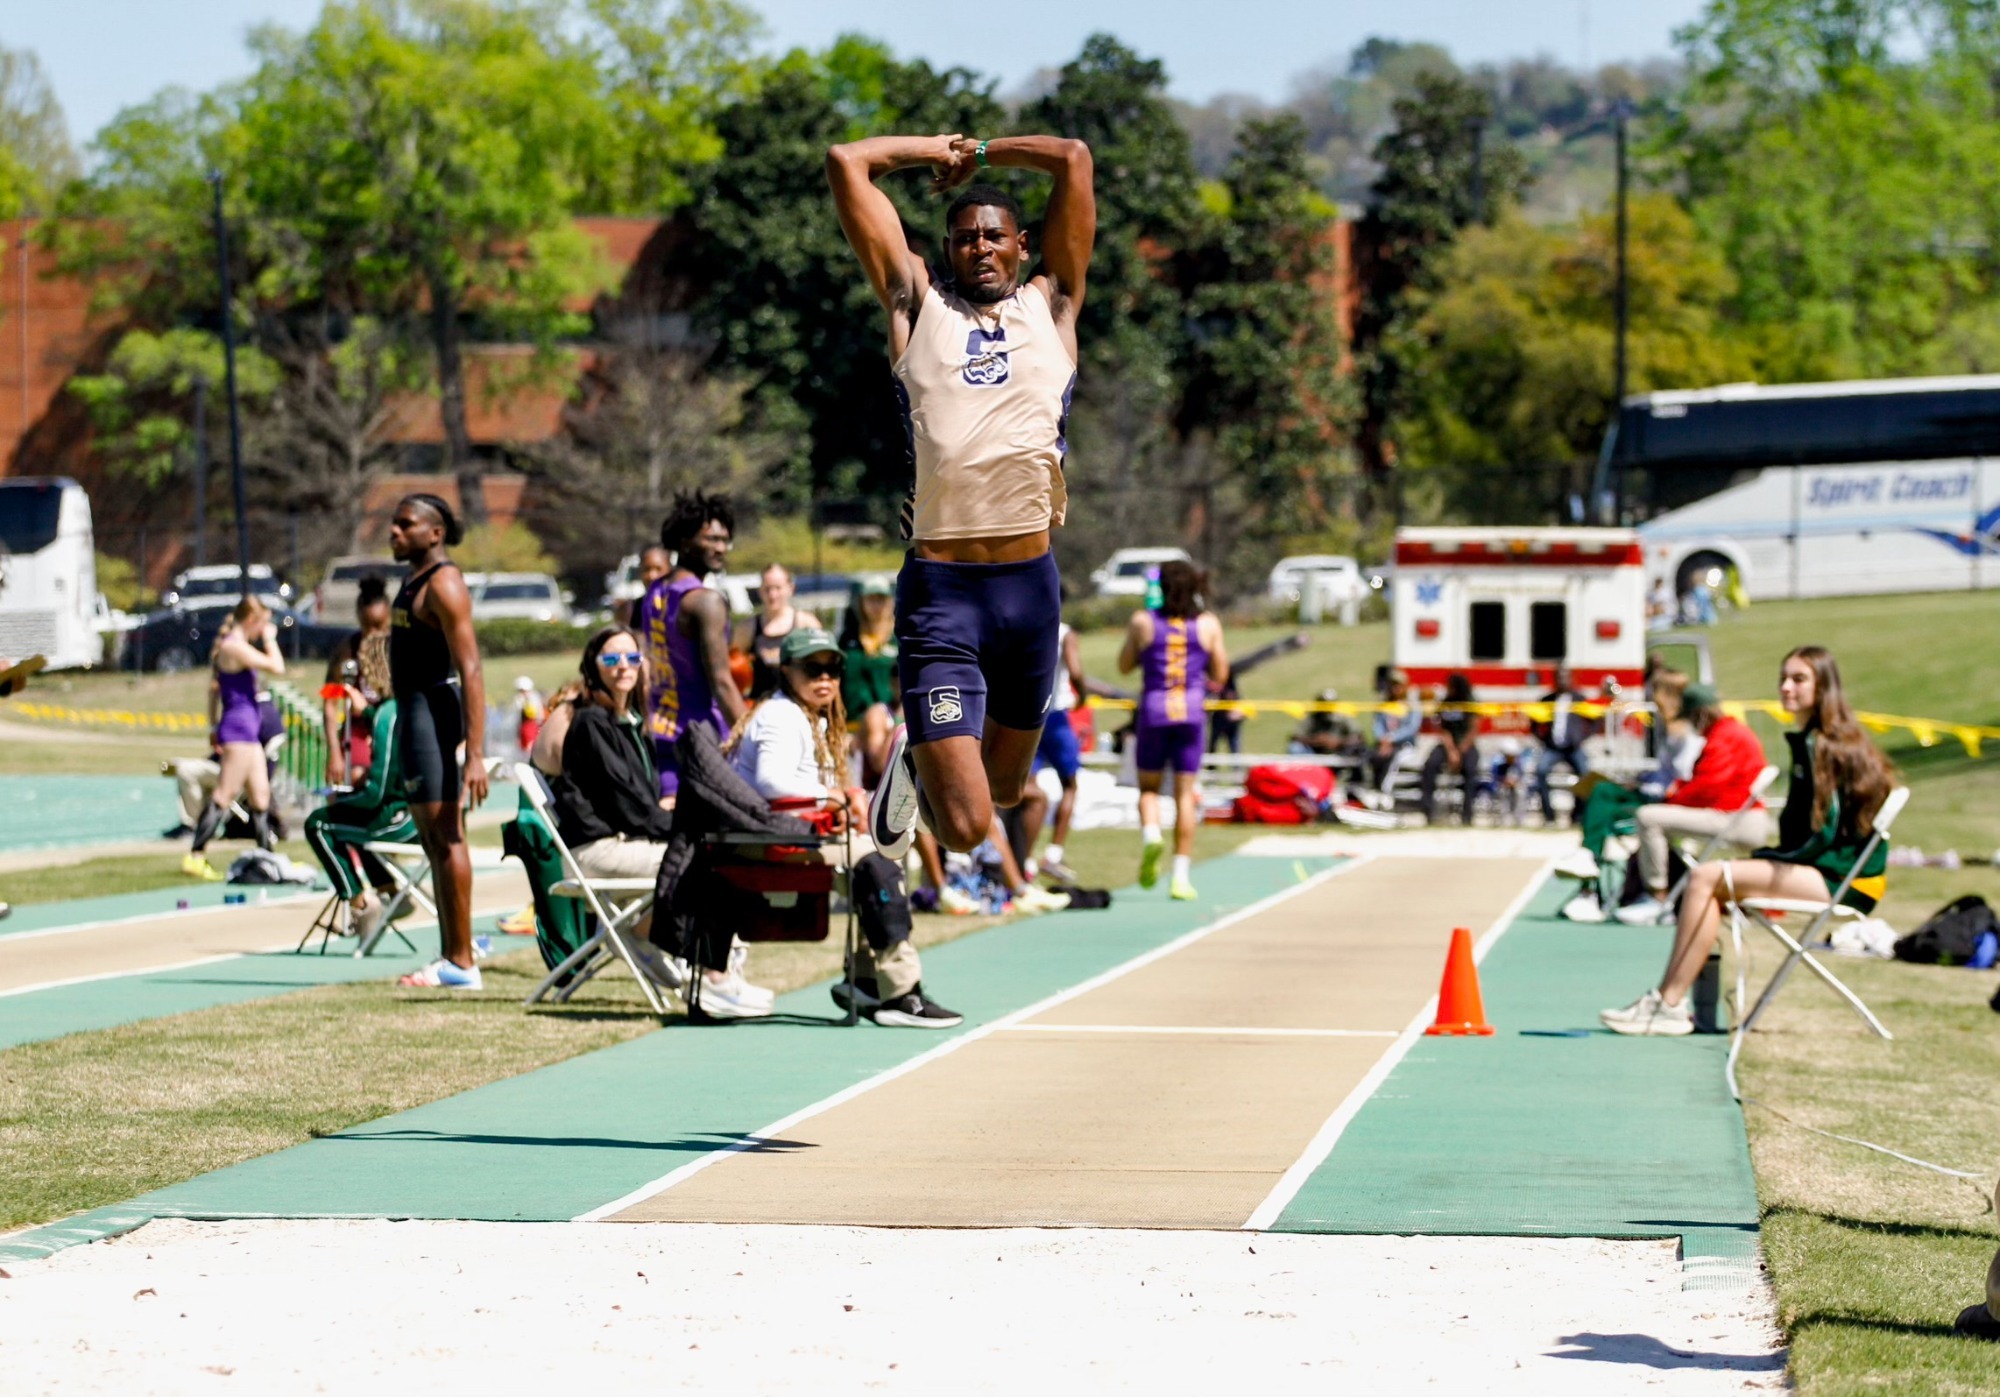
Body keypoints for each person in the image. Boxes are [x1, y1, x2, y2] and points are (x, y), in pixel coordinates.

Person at [826, 127, 1095, 862]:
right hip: (944, 594)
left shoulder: (1054, 305)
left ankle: (925, 764)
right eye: (964, 238)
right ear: (946, 251)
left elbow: (1072, 158)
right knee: (969, 824)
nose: (979, 247)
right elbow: (848, 163)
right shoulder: (919, 306)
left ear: (1023, 245)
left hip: (1030, 590)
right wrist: (932, 151)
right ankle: (913, 762)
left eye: (993, 236)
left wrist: (981, 155)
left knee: (1007, 789)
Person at [1602, 645, 1896, 1036]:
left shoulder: (1828, 745)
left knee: (1706, 876)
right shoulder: (1812, 738)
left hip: (1845, 880)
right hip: (1824, 869)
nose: (1786, 687)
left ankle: (1667, 1004)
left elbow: (1828, 829)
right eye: (1783, 678)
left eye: (1798, 679)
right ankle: (1670, 1003)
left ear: (1823, 686)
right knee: (1710, 884)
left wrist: (1773, 856)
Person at [728, 627, 961, 1027]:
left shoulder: (808, 715)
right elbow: (771, 782)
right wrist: (836, 795)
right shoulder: (782, 714)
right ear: (786, 671)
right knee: (877, 861)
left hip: (791, 833)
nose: (825, 677)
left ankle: (867, 981)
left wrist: (842, 799)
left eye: (833, 667)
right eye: (812, 668)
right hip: (763, 839)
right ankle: (902, 993)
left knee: (880, 854)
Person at [555, 626, 771, 1018]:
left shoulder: (631, 722)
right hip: (596, 849)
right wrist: (683, 823)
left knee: (714, 855)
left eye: (631, 658)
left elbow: (639, 803)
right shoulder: (591, 724)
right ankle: (714, 978)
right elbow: (628, 808)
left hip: (628, 840)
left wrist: (675, 812)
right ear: (594, 666)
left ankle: (644, 934)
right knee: (705, 865)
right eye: (611, 658)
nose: (623, 666)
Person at [386, 494, 489, 991]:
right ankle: (452, 954)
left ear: (435, 533)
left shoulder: (445, 584)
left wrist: (475, 753)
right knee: (432, 840)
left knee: (447, 837)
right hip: (412, 711)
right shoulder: (414, 581)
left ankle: (464, 961)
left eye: (405, 524)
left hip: (434, 713)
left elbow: (471, 669)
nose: (394, 531)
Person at [1608, 682, 1774, 925]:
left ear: (1702, 713)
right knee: (1657, 818)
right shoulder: (1730, 732)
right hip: (1738, 815)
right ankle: (1664, 893)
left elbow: (1707, 785)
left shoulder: (1726, 736)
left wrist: (1672, 800)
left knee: (1648, 817)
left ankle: (1656, 898)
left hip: (1736, 818)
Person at [1118, 559, 1227, 901]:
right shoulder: (1208, 624)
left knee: (1149, 789)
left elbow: (1123, 666)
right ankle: (1181, 876)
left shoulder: (1143, 622)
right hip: (1191, 713)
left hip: (1153, 711)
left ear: (1159, 588)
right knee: (1184, 794)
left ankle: (1152, 835)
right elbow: (1221, 674)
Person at [1553, 668, 1695, 922]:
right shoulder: (1666, 729)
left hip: (1667, 802)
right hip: (1651, 791)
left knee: (1602, 796)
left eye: (1655, 693)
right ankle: (1587, 867)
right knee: (1600, 789)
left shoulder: (1685, 734)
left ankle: (1589, 880)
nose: (1650, 699)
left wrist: (1650, 788)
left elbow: (1681, 779)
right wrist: (1638, 782)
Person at [636, 491, 748, 800]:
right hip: (703, 741)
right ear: (684, 541)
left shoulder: (655, 591)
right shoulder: (705, 601)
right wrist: (753, 738)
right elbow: (721, 683)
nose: (721, 548)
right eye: (711, 539)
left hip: (661, 739)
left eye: (725, 540)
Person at [184, 599, 285, 880]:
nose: (264, 628)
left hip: (250, 732)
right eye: (262, 622)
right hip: (238, 731)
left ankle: (268, 858)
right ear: (252, 619)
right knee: (224, 794)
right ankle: (196, 855)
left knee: (261, 797)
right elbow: (276, 667)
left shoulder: (237, 646)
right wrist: (270, 639)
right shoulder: (234, 647)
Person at [1026, 615, 1085, 882]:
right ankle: (1053, 853)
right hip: (1056, 716)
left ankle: (1023, 859)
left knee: (1026, 791)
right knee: (1070, 785)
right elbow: (1076, 672)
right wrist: (1082, 695)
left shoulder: (1026, 626)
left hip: (1027, 717)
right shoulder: (1064, 632)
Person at [322, 577, 394, 788]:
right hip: (358, 730)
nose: (373, 634)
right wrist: (334, 752)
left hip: (390, 728)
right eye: (367, 626)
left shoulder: (398, 649)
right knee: (353, 777)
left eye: (379, 626)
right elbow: (329, 704)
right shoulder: (347, 650)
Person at [838, 576, 899, 786]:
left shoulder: (899, 638)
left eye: (881, 599)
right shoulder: (848, 640)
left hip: (890, 724)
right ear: (860, 602)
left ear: (890, 601)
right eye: (870, 599)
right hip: (852, 727)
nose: (876, 605)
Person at [746, 563, 822, 699]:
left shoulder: (806, 624)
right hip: (759, 708)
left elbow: (822, 667)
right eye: (767, 589)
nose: (772, 594)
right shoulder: (748, 628)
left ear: (791, 588)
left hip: (797, 706)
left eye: (778, 588)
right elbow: (731, 669)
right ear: (760, 590)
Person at [1531, 664, 1592, 825]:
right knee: (1540, 771)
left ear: (1571, 679)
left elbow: (1595, 719)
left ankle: (1577, 815)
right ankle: (1549, 816)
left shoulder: (1579, 699)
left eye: (1565, 677)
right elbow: (1534, 722)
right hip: (1553, 747)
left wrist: (1583, 736)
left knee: (1585, 774)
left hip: (1573, 748)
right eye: (1559, 677)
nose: (1562, 681)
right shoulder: (1547, 700)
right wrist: (1542, 738)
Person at [1418, 673, 1479, 826]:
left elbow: (1474, 729)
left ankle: (1467, 815)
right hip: (1448, 745)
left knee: (1471, 770)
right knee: (1430, 766)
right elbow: (1444, 730)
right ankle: (1428, 811)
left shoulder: (1470, 702)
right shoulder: (1445, 703)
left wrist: (1461, 750)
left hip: (1466, 745)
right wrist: (1452, 751)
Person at [1368, 669, 1422, 793]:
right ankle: (1373, 787)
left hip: (1404, 745)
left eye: (1398, 685)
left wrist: (1391, 738)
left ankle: (1385, 791)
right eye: (1392, 685)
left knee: (1393, 758)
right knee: (1374, 757)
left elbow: (1411, 728)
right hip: (1384, 744)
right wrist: (1383, 739)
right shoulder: (1384, 705)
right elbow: (1377, 725)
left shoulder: (1411, 705)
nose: (1395, 688)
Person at [512, 675, 546, 753]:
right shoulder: (521, 699)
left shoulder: (532, 698)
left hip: (530, 725)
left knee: (529, 747)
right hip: (524, 727)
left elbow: (537, 715)